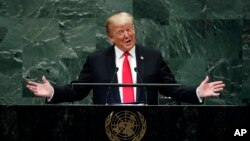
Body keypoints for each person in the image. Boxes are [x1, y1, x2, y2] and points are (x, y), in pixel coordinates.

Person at [27, 12, 225, 105]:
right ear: (110, 37)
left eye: (129, 29)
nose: (127, 35)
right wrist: (52, 92)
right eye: (120, 32)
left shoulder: (152, 56)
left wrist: (197, 92)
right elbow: (78, 91)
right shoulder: (96, 60)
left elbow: (171, 89)